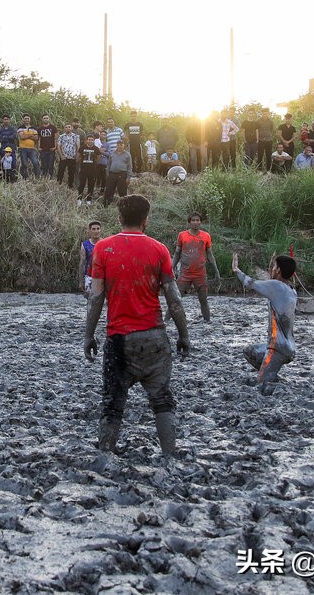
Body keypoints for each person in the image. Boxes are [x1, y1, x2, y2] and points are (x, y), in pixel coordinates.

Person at [84, 195, 189, 456]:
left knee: (112, 403)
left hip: (119, 339)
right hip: (154, 337)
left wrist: (88, 335)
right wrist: (184, 335)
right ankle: (169, 456)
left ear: (119, 219)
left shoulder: (103, 248)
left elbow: (96, 297)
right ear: (146, 220)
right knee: (162, 399)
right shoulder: (159, 249)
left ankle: (105, 455)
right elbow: (174, 300)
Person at [233, 252, 297, 396]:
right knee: (250, 352)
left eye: (275, 266)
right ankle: (271, 373)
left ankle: (269, 375)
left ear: (279, 270)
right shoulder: (291, 290)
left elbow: (251, 283)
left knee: (260, 386)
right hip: (287, 347)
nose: (272, 269)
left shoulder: (276, 287)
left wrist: (237, 270)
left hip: (278, 348)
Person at [172, 213, 221, 323]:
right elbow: (177, 253)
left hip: (200, 274)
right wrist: (171, 268)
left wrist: (216, 270)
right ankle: (167, 321)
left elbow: (209, 254)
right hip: (185, 273)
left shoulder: (206, 236)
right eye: (193, 220)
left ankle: (207, 322)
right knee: (176, 299)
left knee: (203, 300)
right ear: (189, 222)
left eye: (197, 220)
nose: (195, 222)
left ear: (200, 222)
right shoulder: (182, 235)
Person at [103, 140, 132, 206]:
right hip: (112, 175)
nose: (119, 146)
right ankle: (106, 206)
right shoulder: (112, 153)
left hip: (122, 175)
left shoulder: (127, 154)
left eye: (121, 145)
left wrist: (128, 178)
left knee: (122, 193)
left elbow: (129, 167)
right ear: (116, 145)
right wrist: (108, 174)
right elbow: (108, 165)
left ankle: (124, 206)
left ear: (123, 145)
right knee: (109, 191)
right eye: (118, 145)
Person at [79, 221, 102, 297]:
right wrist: (81, 281)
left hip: (103, 276)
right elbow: (82, 264)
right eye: (94, 229)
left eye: (98, 229)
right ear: (90, 231)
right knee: (90, 301)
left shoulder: (105, 243)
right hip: (89, 277)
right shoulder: (85, 245)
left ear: (100, 230)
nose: (96, 231)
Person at [56, 123, 79, 189]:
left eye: (69, 127)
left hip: (72, 157)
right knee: (61, 171)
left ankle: (70, 186)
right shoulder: (61, 136)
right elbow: (58, 146)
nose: (68, 128)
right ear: (64, 129)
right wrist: (61, 156)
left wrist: (77, 156)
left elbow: (78, 146)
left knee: (71, 173)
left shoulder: (76, 136)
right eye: (66, 127)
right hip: (64, 157)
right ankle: (58, 184)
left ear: (71, 128)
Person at [17, 114, 40, 179]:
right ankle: (25, 178)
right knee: (24, 164)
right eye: (25, 118)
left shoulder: (34, 128)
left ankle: (37, 177)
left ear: (30, 120)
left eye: (28, 118)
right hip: (23, 148)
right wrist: (31, 135)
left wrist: (26, 135)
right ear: (23, 119)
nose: (27, 120)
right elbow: (22, 137)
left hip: (32, 149)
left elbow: (36, 138)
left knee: (35, 162)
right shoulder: (20, 128)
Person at [37, 114, 58, 178]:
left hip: (51, 149)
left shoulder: (53, 127)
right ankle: (44, 177)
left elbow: (56, 138)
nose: (45, 119)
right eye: (44, 118)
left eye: (47, 118)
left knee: (51, 164)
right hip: (43, 149)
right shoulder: (40, 128)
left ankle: (51, 177)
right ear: (42, 119)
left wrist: (55, 146)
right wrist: (39, 147)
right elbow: (39, 139)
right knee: (44, 164)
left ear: (49, 119)